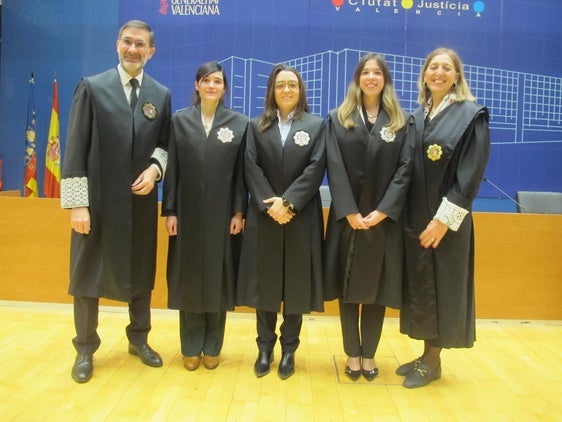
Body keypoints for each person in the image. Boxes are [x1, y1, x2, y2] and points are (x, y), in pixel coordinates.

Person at [61, 20, 171, 383]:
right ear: (117, 45)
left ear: (151, 51)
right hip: (96, 205)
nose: (133, 49)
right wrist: (77, 204)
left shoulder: (160, 93)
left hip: (139, 205)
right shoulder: (92, 88)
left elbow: (166, 145)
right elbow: (75, 149)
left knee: (141, 274)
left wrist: (155, 169)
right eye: (127, 42)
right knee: (87, 276)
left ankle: (139, 340)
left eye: (141, 44)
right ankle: (84, 348)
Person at [397, 47, 490, 388]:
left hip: (445, 224)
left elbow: (470, 176)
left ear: (456, 76)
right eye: (433, 67)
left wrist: (442, 221)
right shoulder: (419, 115)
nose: (438, 72)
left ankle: (434, 361)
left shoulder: (471, 115)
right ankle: (425, 354)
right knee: (422, 288)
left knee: (442, 288)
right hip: (416, 219)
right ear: (424, 74)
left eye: (446, 68)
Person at [323, 53, 413, 382]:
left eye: (377, 73)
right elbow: (333, 166)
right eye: (365, 72)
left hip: (383, 222)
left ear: (385, 80)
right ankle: (352, 353)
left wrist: (383, 211)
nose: (371, 77)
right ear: (357, 79)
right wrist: (348, 211)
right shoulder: (338, 118)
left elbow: (405, 170)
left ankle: (370, 353)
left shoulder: (401, 122)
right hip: (348, 220)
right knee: (347, 290)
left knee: (377, 291)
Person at [236, 64, 326, 380]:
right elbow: (250, 166)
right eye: (280, 85)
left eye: (292, 85)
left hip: (301, 217)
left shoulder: (316, 125)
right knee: (266, 285)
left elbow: (316, 168)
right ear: (272, 91)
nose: (286, 90)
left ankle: (289, 350)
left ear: (300, 90)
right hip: (265, 216)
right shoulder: (256, 125)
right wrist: (271, 204)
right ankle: (264, 348)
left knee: (297, 286)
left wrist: (288, 202)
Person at [162, 62, 248, 371]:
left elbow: (242, 173)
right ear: (197, 85)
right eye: (205, 80)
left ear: (225, 88)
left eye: (217, 81)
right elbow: (172, 171)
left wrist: (239, 210)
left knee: (217, 279)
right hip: (186, 215)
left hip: (223, 216)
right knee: (189, 279)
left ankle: (213, 345)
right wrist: (169, 210)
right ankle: (190, 345)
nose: (211, 85)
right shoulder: (179, 121)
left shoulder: (239, 123)